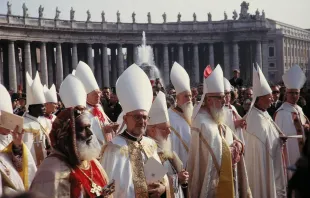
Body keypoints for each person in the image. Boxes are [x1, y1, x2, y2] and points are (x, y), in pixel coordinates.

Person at [30, 74, 114, 198]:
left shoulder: (93, 163)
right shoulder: (51, 172)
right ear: (67, 135)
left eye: (89, 127)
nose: (90, 133)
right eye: (83, 129)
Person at [101, 64, 171, 197]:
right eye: (137, 116)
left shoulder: (149, 145)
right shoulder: (113, 148)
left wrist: (162, 188)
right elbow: (108, 189)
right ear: (126, 119)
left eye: (145, 117)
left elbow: (160, 180)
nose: (142, 121)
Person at [189, 65, 251, 198]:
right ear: (209, 100)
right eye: (220, 98)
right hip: (211, 185)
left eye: (224, 96)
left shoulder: (216, 117)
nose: (224, 101)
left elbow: (231, 137)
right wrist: (231, 151)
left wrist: (238, 144)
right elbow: (210, 157)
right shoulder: (201, 122)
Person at [243, 65, 286, 197]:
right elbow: (262, 148)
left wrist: (279, 139)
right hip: (263, 169)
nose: (272, 99)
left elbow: (271, 135)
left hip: (273, 164)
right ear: (260, 98)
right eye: (269, 96)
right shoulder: (254, 118)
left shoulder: (264, 113)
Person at [146, 91, 188, 198]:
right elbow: (155, 187)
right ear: (152, 131)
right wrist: (178, 178)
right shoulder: (148, 152)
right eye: (165, 129)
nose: (169, 132)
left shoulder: (164, 148)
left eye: (170, 128)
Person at [0, 84, 37, 195]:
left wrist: (17, 146)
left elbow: (20, 169)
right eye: (8, 120)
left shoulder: (10, 138)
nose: (12, 125)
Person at [275, 65, 310, 177]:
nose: (294, 96)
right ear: (286, 94)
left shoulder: (300, 109)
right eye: (291, 93)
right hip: (290, 150)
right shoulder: (281, 112)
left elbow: (306, 126)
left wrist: (307, 128)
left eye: (296, 93)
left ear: (299, 95)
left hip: (303, 151)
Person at [75, 61, 118, 145]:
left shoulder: (99, 106)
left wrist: (111, 125)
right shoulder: (83, 111)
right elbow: (90, 131)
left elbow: (103, 123)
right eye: (95, 93)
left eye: (99, 93)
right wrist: (106, 128)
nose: (98, 95)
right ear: (86, 95)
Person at [23, 72, 51, 167]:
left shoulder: (46, 121)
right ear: (33, 107)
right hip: (31, 164)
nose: (45, 109)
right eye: (42, 106)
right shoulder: (23, 123)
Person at [168, 62, 192, 166]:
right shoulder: (169, 117)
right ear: (177, 98)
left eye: (190, 96)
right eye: (186, 96)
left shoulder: (193, 114)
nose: (189, 100)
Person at [223, 78, 246, 143]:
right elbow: (221, 126)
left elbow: (238, 119)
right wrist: (235, 124)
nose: (228, 96)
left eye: (229, 93)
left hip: (237, 137)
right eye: (226, 93)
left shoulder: (233, 107)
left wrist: (241, 123)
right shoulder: (220, 109)